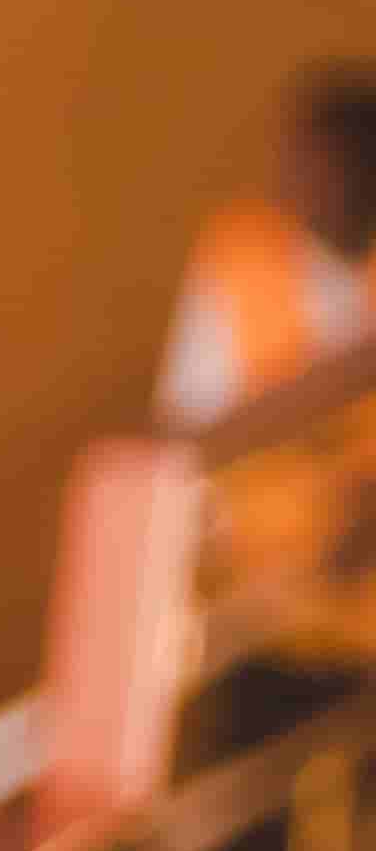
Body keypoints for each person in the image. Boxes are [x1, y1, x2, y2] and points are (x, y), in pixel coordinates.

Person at [157, 71, 376, 669]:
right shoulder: (241, 257)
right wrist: (340, 381)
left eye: (340, 162)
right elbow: (185, 443)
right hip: (266, 623)